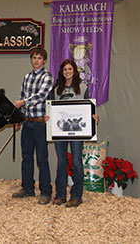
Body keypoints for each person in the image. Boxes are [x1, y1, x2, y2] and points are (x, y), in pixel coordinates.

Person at [49, 59, 99, 207]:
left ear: (74, 71)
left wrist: (94, 117)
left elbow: (88, 108)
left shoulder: (82, 88)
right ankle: (60, 195)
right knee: (61, 163)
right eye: (65, 69)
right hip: (60, 132)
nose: (67, 72)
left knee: (77, 162)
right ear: (61, 72)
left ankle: (76, 196)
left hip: (77, 132)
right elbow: (51, 108)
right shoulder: (56, 89)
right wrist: (48, 117)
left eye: (70, 69)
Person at [12, 48, 54, 204]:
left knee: (42, 158)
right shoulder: (27, 77)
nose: (36, 60)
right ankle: (28, 188)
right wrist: (18, 119)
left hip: (40, 123)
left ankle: (46, 192)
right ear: (31, 59)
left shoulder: (47, 77)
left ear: (44, 61)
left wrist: (23, 102)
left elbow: (40, 96)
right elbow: (21, 96)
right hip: (28, 122)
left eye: (39, 58)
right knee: (26, 157)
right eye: (34, 57)